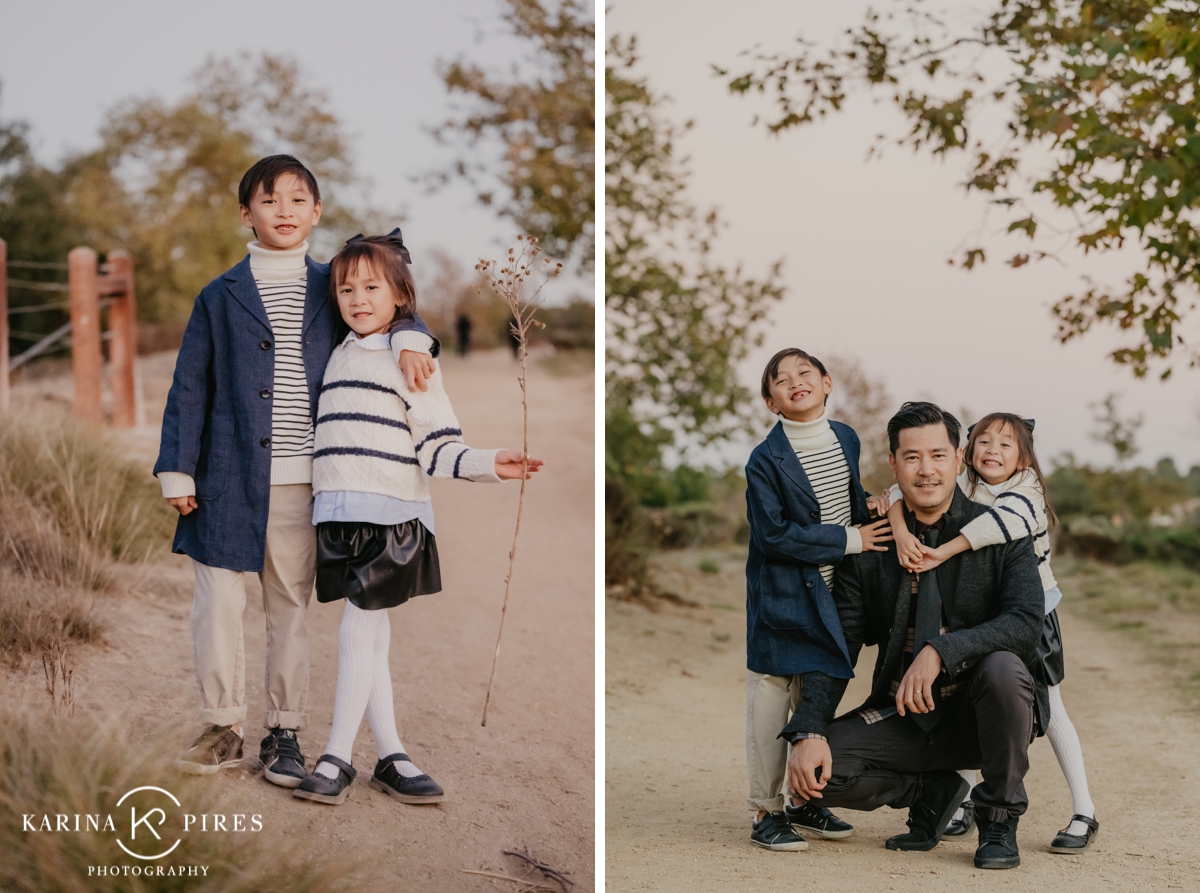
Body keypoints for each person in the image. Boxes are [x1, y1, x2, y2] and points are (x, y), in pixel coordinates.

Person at [155, 155, 438, 786]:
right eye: (268, 200)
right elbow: (189, 388)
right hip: (223, 477)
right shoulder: (219, 295)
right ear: (245, 214)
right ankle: (222, 724)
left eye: (296, 199)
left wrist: (414, 338)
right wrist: (177, 469)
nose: (283, 211)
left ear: (316, 211)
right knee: (218, 605)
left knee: (289, 606)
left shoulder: (332, 286)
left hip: (303, 480)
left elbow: (390, 309)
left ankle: (284, 730)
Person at [290, 233, 543, 805]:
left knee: (359, 628)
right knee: (370, 639)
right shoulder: (334, 352)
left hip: (390, 518)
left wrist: (488, 463)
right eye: (345, 288)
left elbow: (437, 442)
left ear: (401, 294)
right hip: (337, 514)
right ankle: (392, 756)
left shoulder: (413, 358)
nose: (357, 298)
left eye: (371, 287)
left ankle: (335, 757)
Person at [782, 402, 1045, 870]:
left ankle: (998, 818)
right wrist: (809, 728)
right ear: (894, 464)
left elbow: (1026, 623)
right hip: (902, 711)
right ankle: (932, 791)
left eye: (938, 456)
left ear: (958, 458)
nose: (926, 470)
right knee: (820, 774)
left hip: (981, 712)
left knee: (1005, 667)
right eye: (912, 457)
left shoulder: (999, 530)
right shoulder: (870, 546)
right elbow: (839, 642)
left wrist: (941, 651)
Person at [878, 413, 1098, 853]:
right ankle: (965, 806)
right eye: (984, 442)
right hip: (978, 610)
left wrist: (942, 551)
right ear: (967, 452)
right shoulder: (964, 483)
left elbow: (993, 526)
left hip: (1030, 614)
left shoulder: (1026, 492)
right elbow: (897, 493)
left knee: (1050, 708)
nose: (993, 452)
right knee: (970, 697)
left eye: (1006, 445)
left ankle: (1084, 810)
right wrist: (900, 532)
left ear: (1024, 457)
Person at [742, 348, 893, 851]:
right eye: (781, 380)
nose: (795, 382)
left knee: (816, 696)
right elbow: (775, 536)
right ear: (772, 402)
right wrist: (853, 539)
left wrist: (867, 502)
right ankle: (766, 812)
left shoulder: (844, 437)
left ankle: (804, 802)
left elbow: (840, 497)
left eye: (804, 373)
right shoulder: (765, 460)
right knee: (773, 693)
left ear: (827, 383)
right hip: (785, 593)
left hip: (834, 592)